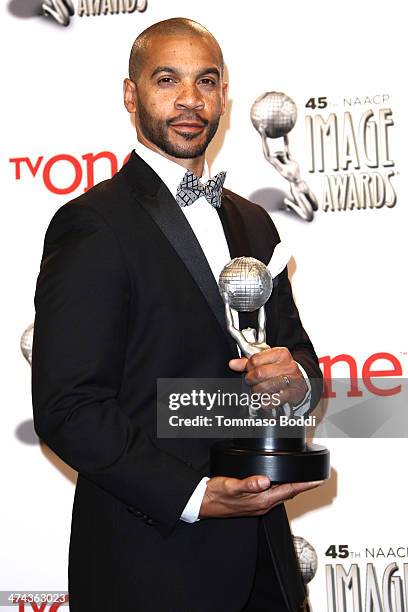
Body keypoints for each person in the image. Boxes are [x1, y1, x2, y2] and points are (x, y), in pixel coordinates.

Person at [31, 17, 324, 612]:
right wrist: (194, 495)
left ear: (224, 97)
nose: (190, 100)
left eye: (207, 81)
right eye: (168, 79)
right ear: (130, 94)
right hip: (151, 566)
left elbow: (302, 361)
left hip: (265, 560)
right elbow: (68, 407)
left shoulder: (253, 221)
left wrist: (294, 384)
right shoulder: (93, 224)